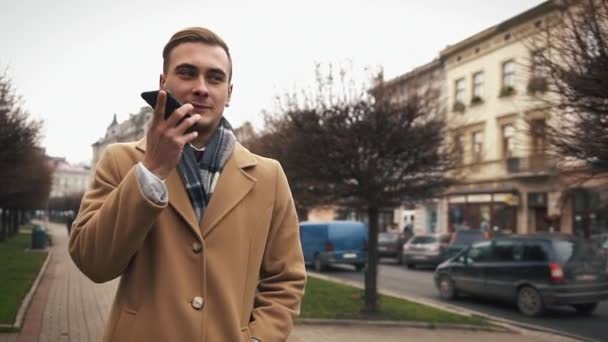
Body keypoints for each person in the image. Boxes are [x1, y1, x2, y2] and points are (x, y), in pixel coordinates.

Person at [68, 27, 306, 342]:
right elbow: (93, 263)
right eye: (187, 73)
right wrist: (152, 171)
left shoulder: (268, 176)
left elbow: (285, 280)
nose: (201, 88)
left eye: (215, 78)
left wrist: (259, 338)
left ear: (229, 93)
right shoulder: (120, 161)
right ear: (163, 83)